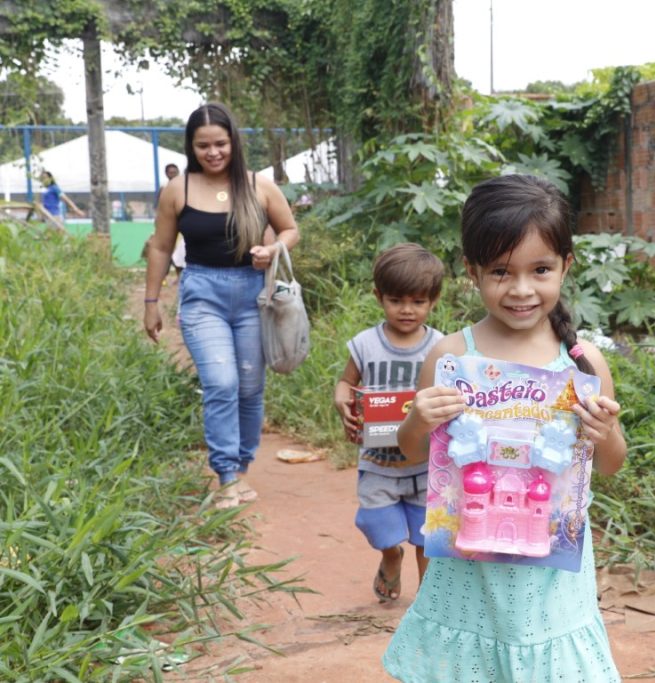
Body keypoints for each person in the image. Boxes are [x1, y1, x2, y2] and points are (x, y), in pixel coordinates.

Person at [384, 174, 627, 682]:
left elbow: (611, 465)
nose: (521, 290)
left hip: (551, 572)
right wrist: (417, 419)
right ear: (472, 272)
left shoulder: (582, 363)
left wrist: (603, 432)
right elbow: (409, 455)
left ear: (566, 264)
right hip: (468, 564)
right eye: (500, 271)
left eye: (540, 269)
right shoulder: (452, 356)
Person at [143, 102, 300, 509]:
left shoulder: (258, 185)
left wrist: (272, 248)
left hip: (253, 296)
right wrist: (151, 302)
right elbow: (161, 247)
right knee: (221, 383)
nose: (213, 153)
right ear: (191, 147)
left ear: (233, 142)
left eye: (220, 144)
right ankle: (226, 474)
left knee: (249, 387)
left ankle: (243, 467)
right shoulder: (177, 190)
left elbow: (290, 228)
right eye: (203, 146)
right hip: (201, 295)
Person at [333, 243, 445, 603]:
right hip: (379, 464)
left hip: (427, 466)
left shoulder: (441, 348)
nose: (407, 310)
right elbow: (346, 381)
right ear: (379, 296)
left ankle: (428, 602)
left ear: (433, 300)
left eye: (417, 301)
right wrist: (341, 397)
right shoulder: (366, 344)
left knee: (428, 537)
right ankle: (390, 556)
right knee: (379, 528)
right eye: (397, 300)